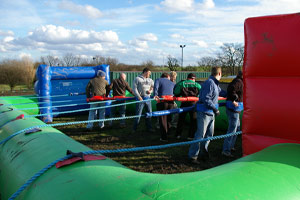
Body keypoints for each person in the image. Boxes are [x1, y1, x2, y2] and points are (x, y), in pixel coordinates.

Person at [188, 67, 226, 164]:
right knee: (200, 135)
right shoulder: (210, 83)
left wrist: (231, 94)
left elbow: (221, 92)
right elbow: (206, 99)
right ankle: (193, 155)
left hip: (210, 113)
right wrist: (215, 109)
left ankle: (203, 152)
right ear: (220, 73)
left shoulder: (215, 84)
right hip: (204, 113)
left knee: (209, 134)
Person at [222, 71, 243, 157]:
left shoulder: (238, 81)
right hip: (233, 109)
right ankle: (226, 150)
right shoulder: (238, 82)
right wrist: (234, 99)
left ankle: (230, 146)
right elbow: (231, 89)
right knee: (232, 130)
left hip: (236, 109)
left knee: (237, 129)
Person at [173, 73, 201, 139]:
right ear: (194, 79)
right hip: (193, 104)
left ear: (187, 78)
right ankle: (191, 136)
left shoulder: (182, 83)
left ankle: (178, 134)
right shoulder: (198, 85)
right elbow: (201, 94)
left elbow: (176, 93)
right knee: (193, 120)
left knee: (181, 119)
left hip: (184, 103)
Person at [153, 73, 175, 141]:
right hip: (171, 102)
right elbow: (175, 92)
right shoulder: (172, 82)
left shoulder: (158, 80)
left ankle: (164, 137)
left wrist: (155, 95)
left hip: (162, 101)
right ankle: (168, 133)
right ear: (168, 76)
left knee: (163, 119)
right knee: (168, 118)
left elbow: (155, 88)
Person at [132, 67, 154, 133]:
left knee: (149, 113)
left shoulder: (150, 80)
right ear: (145, 72)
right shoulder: (137, 79)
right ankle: (134, 129)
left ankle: (149, 128)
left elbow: (152, 87)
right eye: (149, 73)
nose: (149, 74)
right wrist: (138, 96)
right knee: (138, 114)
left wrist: (150, 91)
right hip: (140, 98)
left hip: (147, 98)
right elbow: (134, 89)